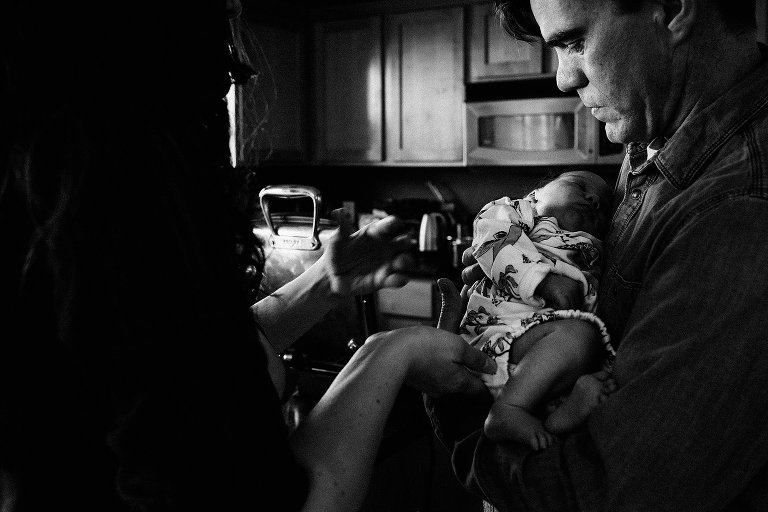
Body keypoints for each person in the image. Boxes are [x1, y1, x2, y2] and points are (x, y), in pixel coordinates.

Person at [0, 1, 496, 511]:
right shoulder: (121, 193)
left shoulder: (43, 180)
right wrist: (389, 354)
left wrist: (323, 282)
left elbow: (172, 358)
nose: (235, 16)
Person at [426, 0, 768, 510]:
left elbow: (594, 492)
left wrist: (454, 393)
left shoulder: (737, 207)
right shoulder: (656, 140)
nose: (564, 79)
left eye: (573, 41)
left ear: (673, 9)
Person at [460, 170, 615, 451]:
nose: (593, 198)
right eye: (579, 186)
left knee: (590, 353)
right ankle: (506, 410)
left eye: (604, 205)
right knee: (579, 337)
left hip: (538, 345)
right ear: (535, 194)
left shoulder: (591, 246)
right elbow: (492, 236)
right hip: (499, 330)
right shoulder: (516, 211)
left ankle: (557, 418)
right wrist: (541, 280)